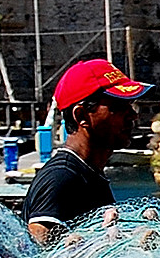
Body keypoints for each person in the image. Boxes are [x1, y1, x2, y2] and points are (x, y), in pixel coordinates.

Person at [19, 59, 146, 245]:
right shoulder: (62, 178)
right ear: (81, 116)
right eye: (118, 107)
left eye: (130, 105)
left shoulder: (88, 172)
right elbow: (39, 254)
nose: (132, 115)